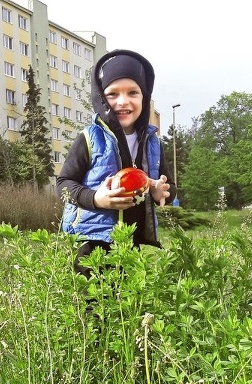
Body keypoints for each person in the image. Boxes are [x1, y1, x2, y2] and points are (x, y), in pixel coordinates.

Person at [56, 49, 176, 277]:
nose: (123, 101)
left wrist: (160, 192)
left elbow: (168, 185)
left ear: (144, 97)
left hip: (131, 239)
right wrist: (96, 199)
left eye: (133, 92)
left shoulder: (152, 142)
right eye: (113, 94)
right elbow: (63, 184)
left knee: (128, 306)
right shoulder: (90, 138)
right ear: (101, 98)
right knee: (95, 306)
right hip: (93, 241)